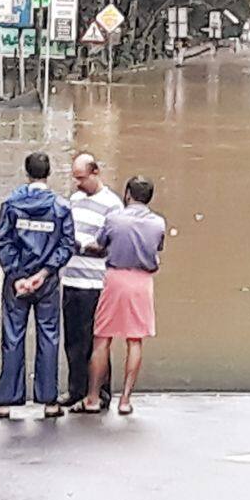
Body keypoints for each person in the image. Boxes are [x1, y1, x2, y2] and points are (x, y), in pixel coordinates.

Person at [0, 152, 76, 419]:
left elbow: (3, 242)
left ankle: (4, 401)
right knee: (49, 336)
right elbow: (66, 245)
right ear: (49, 173)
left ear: (26, 172)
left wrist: (18, 276)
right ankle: (49, 401)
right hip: (47, 282)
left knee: (13, 336)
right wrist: (45, 272)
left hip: (17, 281)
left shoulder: (12, 203)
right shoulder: (61, 206)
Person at [75, 176, 166, 416]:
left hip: (115, 279)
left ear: (128, 194)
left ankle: (93, 397)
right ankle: (125, 400)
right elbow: (157, 250)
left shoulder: (114, 218)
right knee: (135, 340)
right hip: (142, 282)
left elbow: (101, 244)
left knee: (102, 338)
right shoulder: (158, 223)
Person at [58, 152, 122, 407]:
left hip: (95, 283)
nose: (78, 184)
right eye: (75, 178)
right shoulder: (74, 200)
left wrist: (84, 246)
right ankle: (76, 389)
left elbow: (111, 244)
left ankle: (101, 392)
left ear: (95, 173)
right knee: (73, 339)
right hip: (72, 278)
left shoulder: (112, 205)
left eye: (82, 178)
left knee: (96, 340)